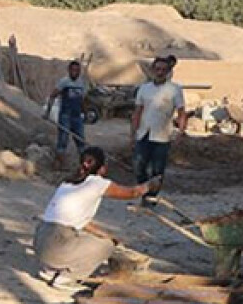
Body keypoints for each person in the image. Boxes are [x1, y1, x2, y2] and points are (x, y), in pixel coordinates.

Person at [34, 146, 159, 289]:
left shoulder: (68, 182)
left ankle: (49, 271)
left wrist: (108, 236)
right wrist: (150, 185)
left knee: (103, 241)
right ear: (102, 169)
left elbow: (83, 222)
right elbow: (133, 193)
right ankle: (67, 278)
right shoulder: (98, 183)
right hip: (57, 242)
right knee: (106, 247)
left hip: (41, 240)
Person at [131, 56, 185, 204]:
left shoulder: (175, 90)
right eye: (157, 69)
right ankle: (144, 190)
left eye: (163, 70)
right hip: (143, 134)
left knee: (157, 169)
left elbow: (181, 112)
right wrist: (132, 133)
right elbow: (137, 111)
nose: (160, 72)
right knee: (138, 165)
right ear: (153, 70)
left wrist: (180, 132)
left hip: (162, 136)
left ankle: (151, 196)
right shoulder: (144, 89)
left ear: (168, 72)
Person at [44, 60, 87, 168]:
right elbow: (53, 95)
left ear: (79, 72)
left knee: (81, 141)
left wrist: (84, 113)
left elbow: (82, 100)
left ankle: (85, 166)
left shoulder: (81, 83)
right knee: (63, 140)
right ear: (69, 70)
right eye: (72, 70)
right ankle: (58, 164)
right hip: (65, 116)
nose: (74, 72)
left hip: (77, 117)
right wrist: (47, 112)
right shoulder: (64, 82)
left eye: (77, 70)